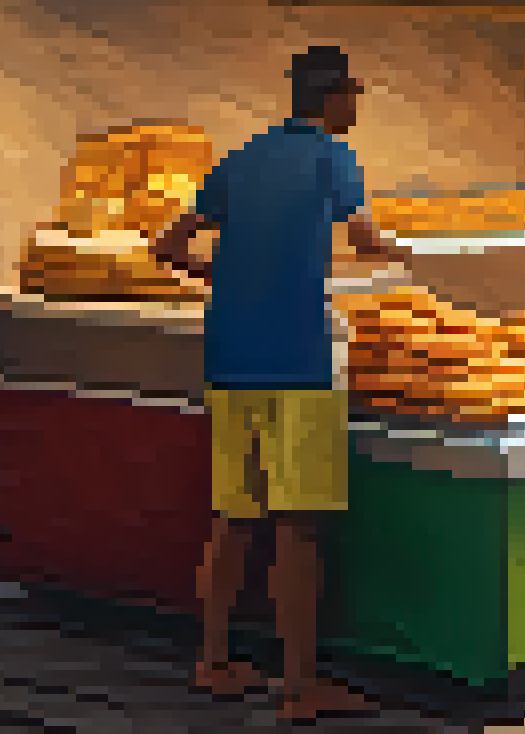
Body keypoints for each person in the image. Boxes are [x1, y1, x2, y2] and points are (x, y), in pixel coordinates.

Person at [151, 46, 412, 720]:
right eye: (354, 95)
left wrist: (223, 277)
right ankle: (299, 687)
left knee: (233, 517)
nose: (357, 107)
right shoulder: (333, 158)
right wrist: (421, 252)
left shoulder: (242, 158)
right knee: (299, 526)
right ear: (335, 97)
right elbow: (365, 240)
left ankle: (213, 662)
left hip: (231, 356)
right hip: (297, 360)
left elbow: (167, 246)